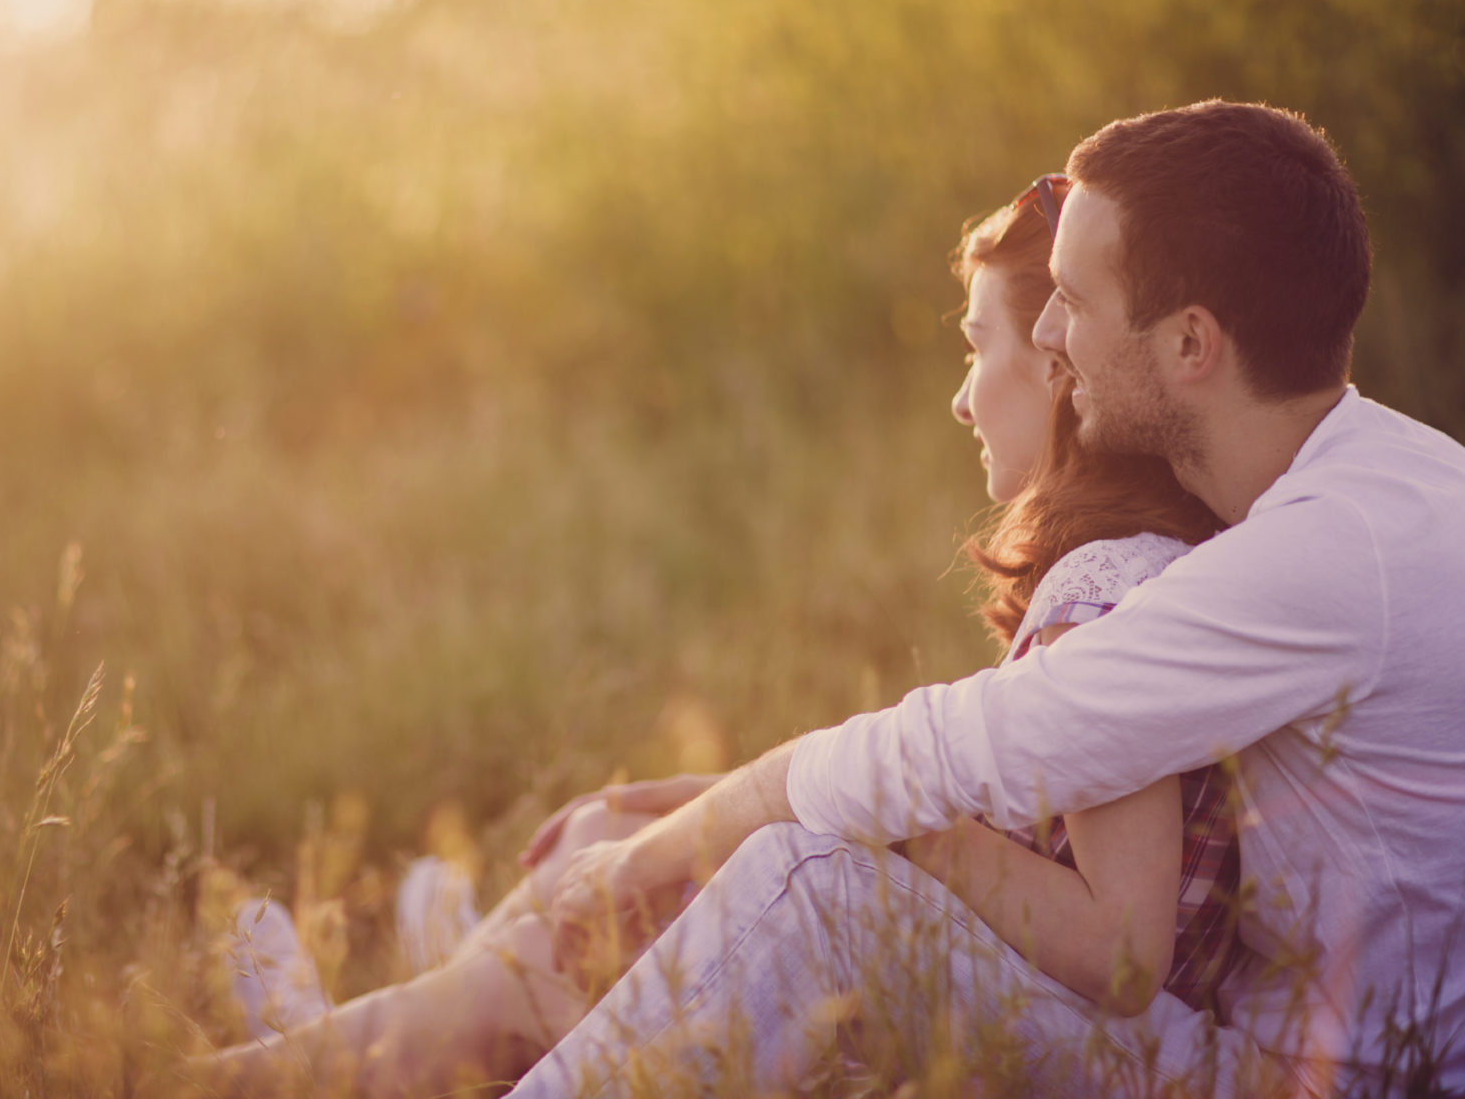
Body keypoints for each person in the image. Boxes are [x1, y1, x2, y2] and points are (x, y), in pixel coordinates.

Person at [204, 168, 1249, 1095]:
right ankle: (357, 1040)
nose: (961, 399)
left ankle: (271, 1068)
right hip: (984, 990)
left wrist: (880, 819)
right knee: (610, 847)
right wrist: (708, 809)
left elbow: (1120, 950)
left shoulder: (1110, 593)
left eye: (978, 347)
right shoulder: (1109, 576)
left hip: (1078, 1046)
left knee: (588, 942)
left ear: (1062, 363)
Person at [511, 100, 1465, 1098]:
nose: (1053, 337)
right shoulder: (1396, 483)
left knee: (816, 889)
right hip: (1276, 1052)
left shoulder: (1314, 559)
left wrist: (651, 861)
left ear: (1191, 345)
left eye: (1075, 303)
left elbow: (964, 747)